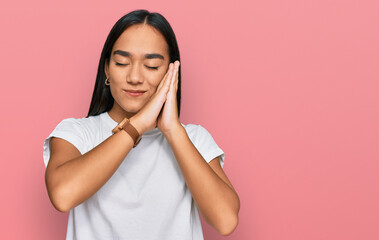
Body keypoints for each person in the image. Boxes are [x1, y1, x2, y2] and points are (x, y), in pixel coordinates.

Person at [43, 9, 240, 240]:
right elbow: (63, 196)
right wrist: (136, 126)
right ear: (107, 69)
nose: (135, 77)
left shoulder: (193, 139)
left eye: (152, 66)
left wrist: (172, 130)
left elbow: (226, 220)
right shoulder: (76, 133)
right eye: (122, 62)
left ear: (171, 72)